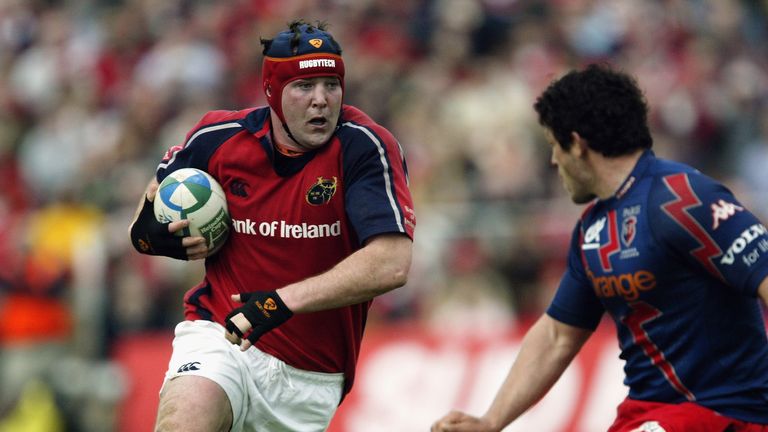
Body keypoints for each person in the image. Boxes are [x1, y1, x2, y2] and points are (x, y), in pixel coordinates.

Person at [432, 64, 768, 432]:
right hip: (648, 415)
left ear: (576, 144)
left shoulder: (686, 199)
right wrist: (490, 421)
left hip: (724, 416)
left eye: (553, 145)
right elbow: (557, 336)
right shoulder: (592, 230)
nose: (553, 160)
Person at [129, 19, 416, 432]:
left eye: (331, 84)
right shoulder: (219, 137)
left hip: (309, 379)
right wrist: (149, 233)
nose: (321, 100)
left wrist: (279, 302)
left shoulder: (364, 147)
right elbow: (156, 192)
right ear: (271, 92)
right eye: (303, 86)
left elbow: (392, 262)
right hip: (219, 336)